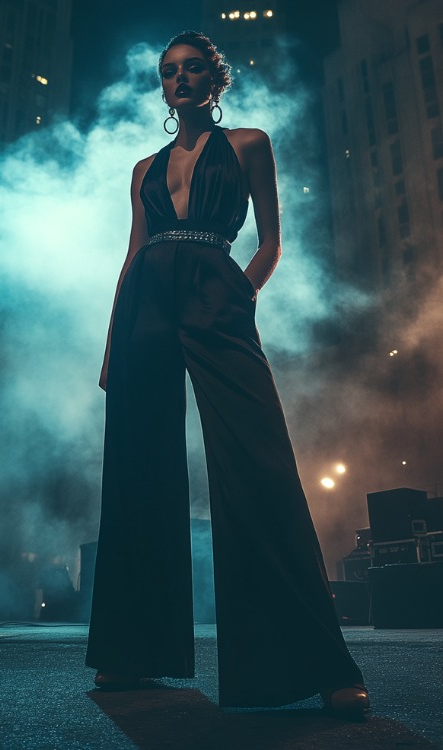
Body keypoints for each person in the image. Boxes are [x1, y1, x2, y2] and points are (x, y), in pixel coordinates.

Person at [85, 31, 369, 717]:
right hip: (143, 312)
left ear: (217, 79)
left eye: (191, 70)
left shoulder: (249, 143)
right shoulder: (142, 168)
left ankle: (318, 665)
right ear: (163, 87)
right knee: (139, 475)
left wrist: (237, 294)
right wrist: (110, 342)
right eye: (168, 73)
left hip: (217, 296)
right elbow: (134, 253)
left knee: (260, 467)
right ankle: (131, 658)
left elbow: (271, 242)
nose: (179, 80)